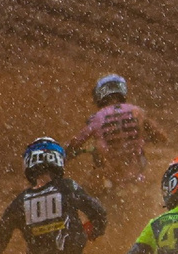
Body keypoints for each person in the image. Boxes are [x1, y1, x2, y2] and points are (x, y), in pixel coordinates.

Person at [70, 73, 168, 209]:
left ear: (100, 94)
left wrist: (65, 154)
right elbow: (162, 137)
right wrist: (147, 138)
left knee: (84, 193)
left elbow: (76, 142)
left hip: (110, 176)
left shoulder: (97, 118)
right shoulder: (137, 112)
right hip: (137, 173)